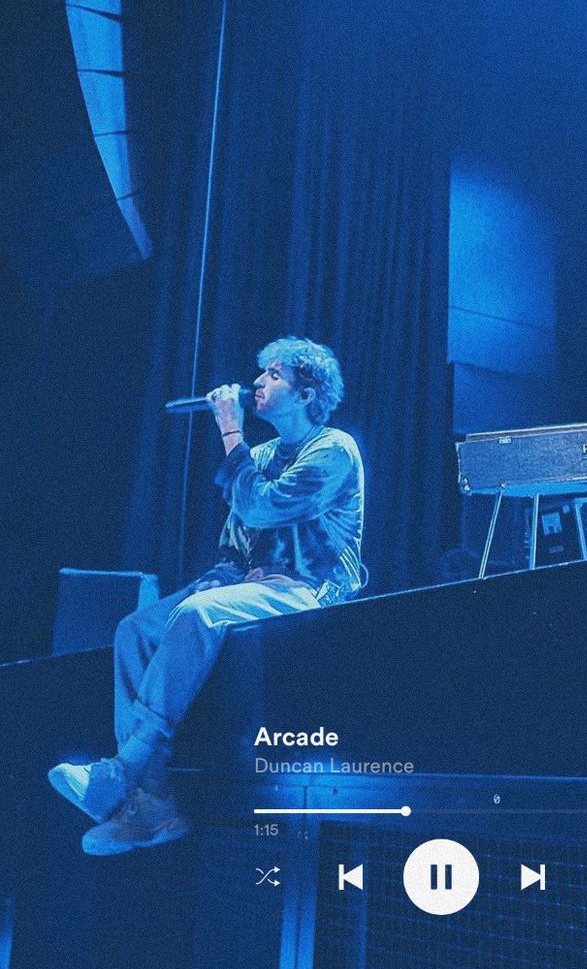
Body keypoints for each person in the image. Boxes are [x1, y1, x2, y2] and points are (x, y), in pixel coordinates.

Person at [48, 337, 365, 856]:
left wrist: (229, 429)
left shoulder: (333, 449)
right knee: (135, 628)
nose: (258, 383)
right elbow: (235, 545)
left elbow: (263, 507)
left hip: (312, 592)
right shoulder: (260, 454)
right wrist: (216, 579)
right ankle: (151, 803)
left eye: (275, 376)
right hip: (252, 587)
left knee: (197, 613)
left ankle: (124, 769)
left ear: (308, 393)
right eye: (260, 375)